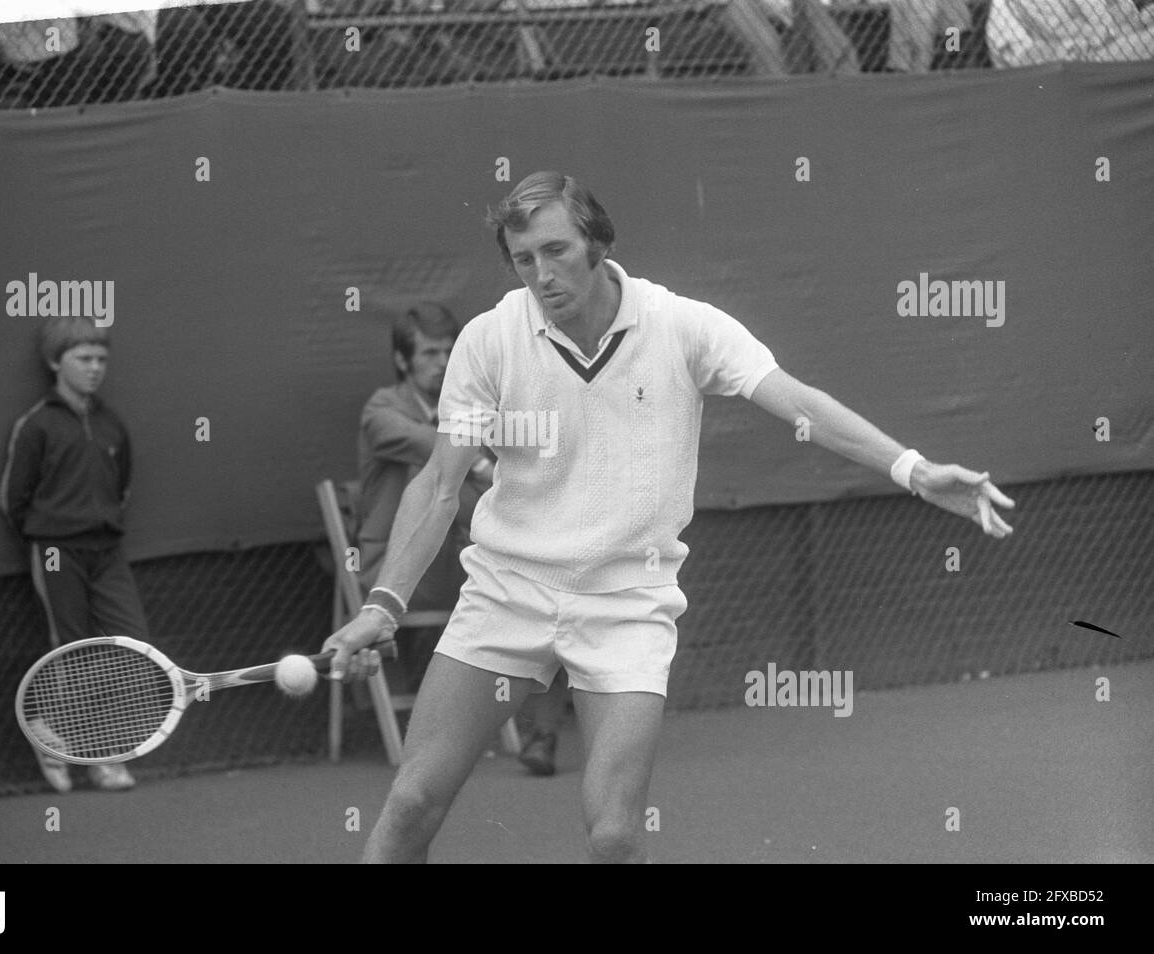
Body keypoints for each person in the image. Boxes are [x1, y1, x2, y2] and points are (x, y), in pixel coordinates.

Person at [323, 171, 1015, 864]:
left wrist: (916, 471)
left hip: (626, 601)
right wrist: (384, 602)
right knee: (412, 802)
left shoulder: (682, 326)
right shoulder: (489, 340)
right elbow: (441, 484)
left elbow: (800, 404)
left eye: (556, 250)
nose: (541, 274)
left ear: (597, 243)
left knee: (616, 836)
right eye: (524, 259)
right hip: (507, 589)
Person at [0, 316, 148, 793]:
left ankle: (56, 733)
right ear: (53, 362)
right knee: (73, 652)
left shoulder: (112, 423)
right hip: (57, 552)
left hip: (107, 551)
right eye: (83, 359)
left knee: (131, 646)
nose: (95, 368)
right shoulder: (37, 424)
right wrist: (50, 537)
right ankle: (96, 756)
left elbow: (121, 486)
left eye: (102, 359)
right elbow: (11, 500)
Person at [357, 303, 493, 688]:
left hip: (464, 567)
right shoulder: (381, 409)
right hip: (394, 572)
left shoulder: (472, 410)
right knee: (432, 469)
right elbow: (426, 446)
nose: (443, 362)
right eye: (430, 353)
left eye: (450, 352)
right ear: (402, 360)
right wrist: (480, 465)